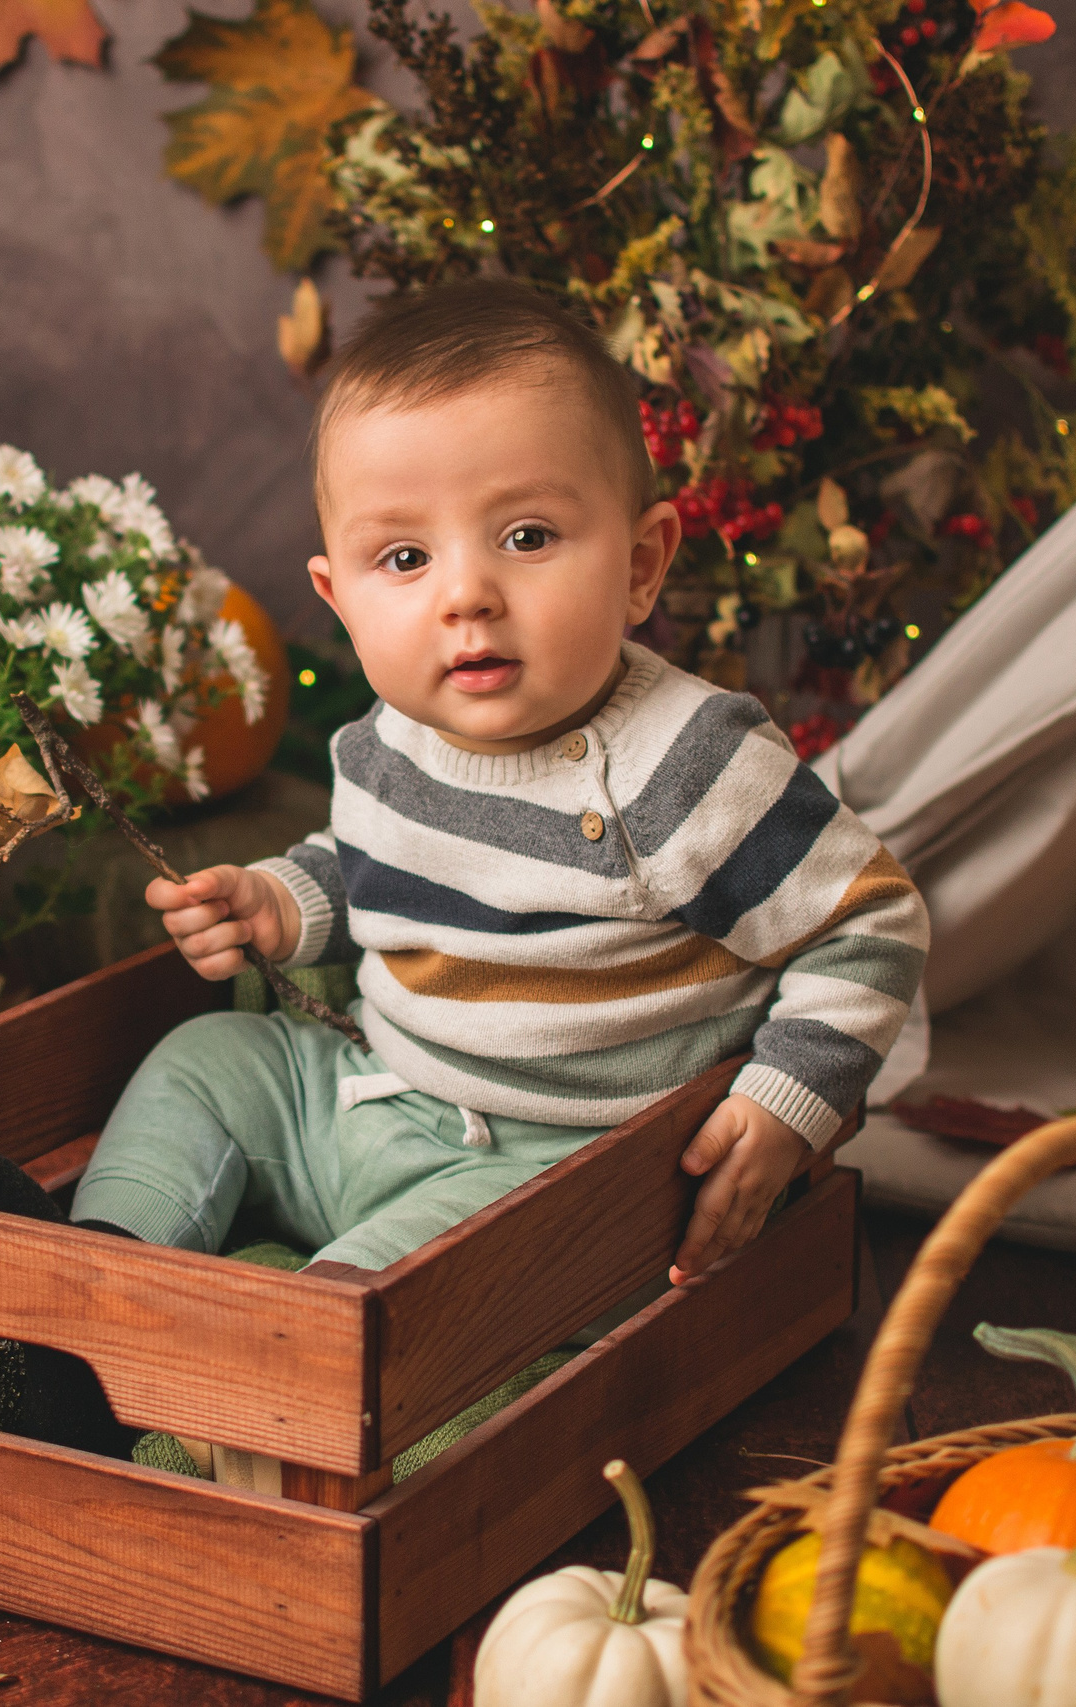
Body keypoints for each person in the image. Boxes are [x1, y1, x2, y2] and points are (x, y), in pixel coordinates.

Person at [69, 278, 929, 1286]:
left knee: (371, 1298)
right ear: (340, 601)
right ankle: (90, 1282)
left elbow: (870, 923)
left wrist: (786, 1104)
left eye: (527, 537)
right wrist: (279, 902)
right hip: (374, 1093)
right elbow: (379, 864)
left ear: (640, 564)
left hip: (550, 1172)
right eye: (404, 557)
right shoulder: (388, 738)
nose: (467, 594)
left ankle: (289, 1339)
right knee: (207, 1062)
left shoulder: (685, 763)